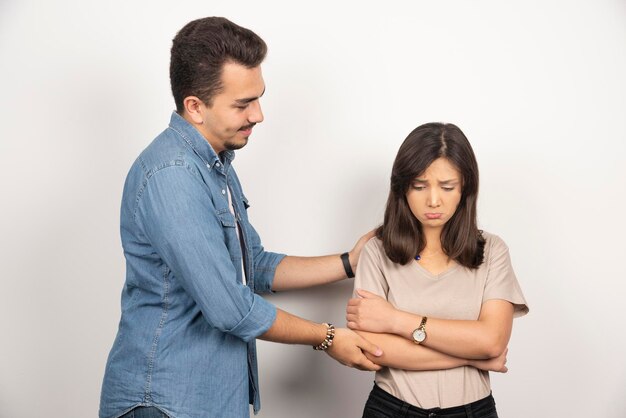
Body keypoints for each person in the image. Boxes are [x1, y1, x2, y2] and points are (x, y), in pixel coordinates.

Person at [99, 17, 382, 418]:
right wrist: (327, 337)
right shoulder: (172, 177)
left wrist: (348, 263)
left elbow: (255, 268)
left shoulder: (216, 165)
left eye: (259, 97)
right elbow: (231, 307)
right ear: (195, 107)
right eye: (243, 104)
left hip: (207, 401)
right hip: (165, 402)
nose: (259, 115)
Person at [346, 122, 529, 418]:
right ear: (402, 187)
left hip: (472, 410)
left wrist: (395, 320)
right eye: (419, 186)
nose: (433, 200)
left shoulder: (493, 251)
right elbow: (373, 349)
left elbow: (492, 341)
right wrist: (473, 357)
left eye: (447, 187)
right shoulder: (376, 252)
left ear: (465, 188)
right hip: (391, 408)